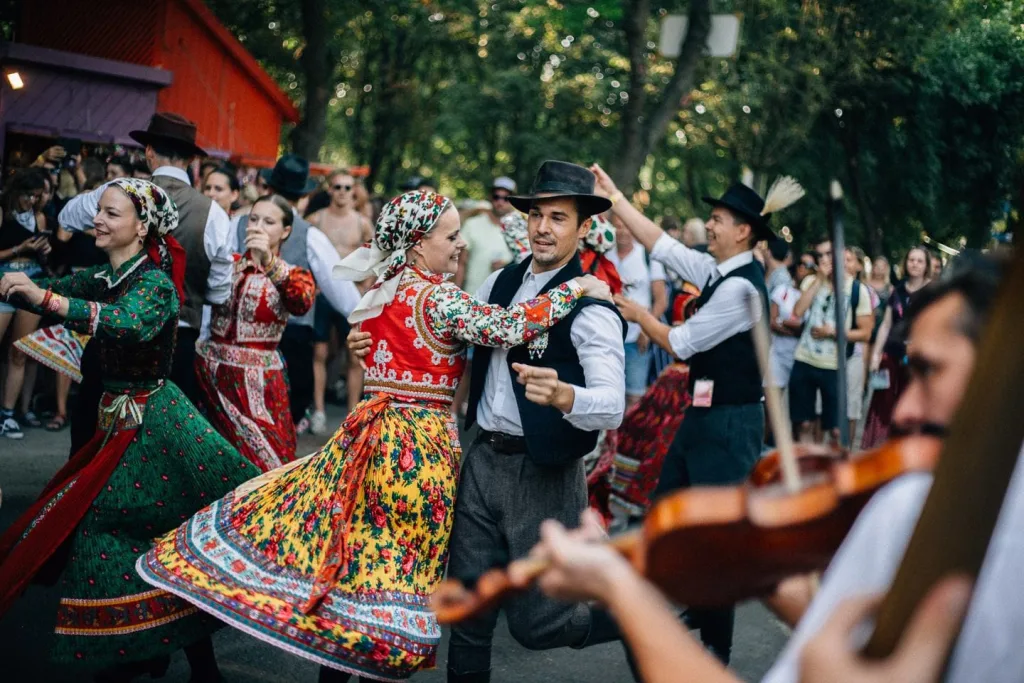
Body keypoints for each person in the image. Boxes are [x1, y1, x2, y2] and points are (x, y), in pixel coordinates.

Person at [138, 190, 613, 682]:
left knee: (353, 577)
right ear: (416, 242)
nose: (458, 247)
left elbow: (379, 341)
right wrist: (574, 289)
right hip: (414, 454)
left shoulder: (383, 287)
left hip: (364, 438)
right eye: (450, 237)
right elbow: (510, 325)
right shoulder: (439, 296)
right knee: (392, 584)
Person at [511, 251, 1014, 683]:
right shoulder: (932, 502)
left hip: (729, 421)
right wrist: (764, 570)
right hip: (701, 417)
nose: (905, 410)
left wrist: (619, 591)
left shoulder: (922, 509)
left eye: (930, 370)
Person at [0, 178, 254, 682]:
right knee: (155, 542)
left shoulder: (155, 285)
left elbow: (125, 322)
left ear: (141, 229)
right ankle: (175, 660)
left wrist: (43, 299)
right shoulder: (108, 275)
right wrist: (21, 287)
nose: (98, 219)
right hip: (117, 419)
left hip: (153, 423)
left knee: (114, 532)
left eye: (111, 214)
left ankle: (128, 660)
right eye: (100, 211)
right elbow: (57, 295)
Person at [596, 164, 803, 664]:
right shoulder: (720, 272)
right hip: (704, 417)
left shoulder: (741, 289)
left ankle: (716, 647)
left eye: (716, 218)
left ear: (743, 230)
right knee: (667, 510)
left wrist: (638, 314)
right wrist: (616, 196)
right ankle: (693, 606)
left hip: (732, 425)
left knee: (716, 537)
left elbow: (681, 342)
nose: (707, 225)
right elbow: (662, 247)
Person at [58, 112, 235, 455]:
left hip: (112, 333)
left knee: (92, 434)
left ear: (150, 152)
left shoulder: (117, 195)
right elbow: (219, 292)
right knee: (164, 446)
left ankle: (81, 500)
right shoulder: (213, 213)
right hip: (176, 344)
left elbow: (67, 217)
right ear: (191, 159)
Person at [236, 155, 361, 432]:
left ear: (268, 186)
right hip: (287, 341)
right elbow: (339, 287)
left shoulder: (238, 222)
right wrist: (364, 317)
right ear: (303, 194)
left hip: (244, 344)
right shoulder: (310, 234)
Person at [196, 194, 315, 471]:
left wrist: (270, 262)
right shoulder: (229, 264)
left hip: (258, 384)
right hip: (211, 376)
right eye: (253, 219)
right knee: (212, 462)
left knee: (269, 462)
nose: (258, 226)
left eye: (269, 221)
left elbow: (302, 302)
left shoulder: (293, 274)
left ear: (285, 231)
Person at [305, 168, 373, 431]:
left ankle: (352, 414)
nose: (342, 192)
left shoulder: (362, 222)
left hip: (352, 295)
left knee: (355, 355)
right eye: (338, 187)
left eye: (347, 187)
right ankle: (319, 410)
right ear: (330, 190)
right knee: (319, 351)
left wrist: (366, 286)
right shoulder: (315, 219)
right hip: (323, 294)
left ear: (353, 191)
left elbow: (376, 256)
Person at [788, 240, 874, 444]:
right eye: (823, 257)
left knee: (835, 428)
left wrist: (834, 332)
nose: (827, 261)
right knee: (804, 423)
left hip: (834, 365)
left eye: (831, 256)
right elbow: (797, 312)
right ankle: (804, 468)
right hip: (804, 359)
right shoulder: (813, 282)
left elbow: (866, 333)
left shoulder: (857, 290)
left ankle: (832, 470)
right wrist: (818, 280)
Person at [861, 246, 932, 448]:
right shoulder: (897, 290)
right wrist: (876, 355)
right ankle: (877, 448)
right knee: (882, 404)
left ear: (926, 265)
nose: (915, 264)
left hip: (916, 359)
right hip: (891, 355)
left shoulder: (932, 293)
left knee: (908, 403)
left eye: (919, 261)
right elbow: (886, 325)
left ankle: (903, 448)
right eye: (911, 260)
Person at [0, 169, 51, 439]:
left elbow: (45, 256)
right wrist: (21, 248)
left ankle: (8, 414)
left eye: (35, 196)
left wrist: (44, 249)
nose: (31, 201)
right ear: (16, 192)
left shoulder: (39, 216)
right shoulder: (3, 212)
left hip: (33, 283)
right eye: (27, 195)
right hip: (4, 281)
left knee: (20, 351)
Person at [605, 212, 667, 409]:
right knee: (607, 394)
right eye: (617, 226)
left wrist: (647, 327)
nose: (622, 231)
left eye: (627, 226)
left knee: (634, 395)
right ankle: (608, 439)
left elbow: (661, 300)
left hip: (635, 339)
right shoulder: (603, 255)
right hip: (607, 337)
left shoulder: (648, 257)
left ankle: (629, 438)